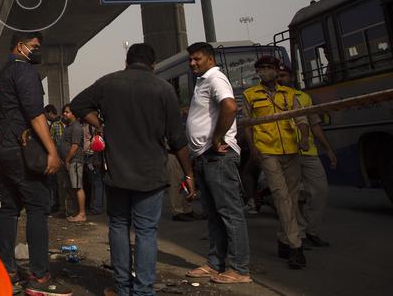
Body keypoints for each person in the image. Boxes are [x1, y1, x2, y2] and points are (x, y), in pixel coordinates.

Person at [70, 43, 196, 296]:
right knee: (146, 231)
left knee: (118, 225)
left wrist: (101, 124)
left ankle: (122, 287)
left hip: (116, 171)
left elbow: (78, 105)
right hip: (150, 173)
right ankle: (143, 290)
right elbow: (177, 138)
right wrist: (188, 173)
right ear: (152, 64)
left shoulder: (109, 83)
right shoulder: (163, 89)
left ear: (127, 61)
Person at [0, 32, 70, 296]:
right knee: (38, 205)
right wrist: (52, 151)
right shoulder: (24, 72)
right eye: (34, 46)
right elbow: (35, 114)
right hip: (22, 149)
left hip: (2, 147)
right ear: (20, 46)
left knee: (9, 208)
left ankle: (7, 270)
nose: (38, 51)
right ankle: (38, 275)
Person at [182, 42, 252, 284]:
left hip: (219, 157)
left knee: (230, 213)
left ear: (210, 59)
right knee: (213, 214)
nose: (192, 63)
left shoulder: (215, 78)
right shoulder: (203, 81)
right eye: (190, 59)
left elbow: (230, 106)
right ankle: (215, 263)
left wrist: (218, 136)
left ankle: (239, 268)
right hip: (205, 156)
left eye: (197, 59)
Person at [242, 55, 310, 270]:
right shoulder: (250, 95)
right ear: (257, 73)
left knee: (291, 197)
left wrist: (305, 138)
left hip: (291, 150)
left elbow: (301, 119)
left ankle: (283, 238)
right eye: (261, 68)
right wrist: (253, 150)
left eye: (269, 68)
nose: (265, 71)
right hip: (267, 151)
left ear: (276, 70)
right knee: (281, 197)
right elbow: (248, 125)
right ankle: (296, 247)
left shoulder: (289, 94)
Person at [278, 64, 336, 248]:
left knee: (320, 191)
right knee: (291, 197)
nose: (281, 79)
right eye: (278, 76)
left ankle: (311, 230)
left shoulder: (304, 98)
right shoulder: (273, 99)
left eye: (284, 75)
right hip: (285, 153)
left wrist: (327, 148)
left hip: (309, 152)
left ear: (292, 77)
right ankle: (298, 234)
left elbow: (315, 125)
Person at [60, 104, 87, 222]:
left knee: (77, 187)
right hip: (69, 161)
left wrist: (67, 159)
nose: (65, 114)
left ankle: (82, 214)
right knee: (72, 187)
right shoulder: (68, 126)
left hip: (74, 161)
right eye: (64, 112)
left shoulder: (76, 127)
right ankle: (76, 212)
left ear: (74, 114)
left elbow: (75, 146)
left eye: (67, 112)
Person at [44, 104, 65, 214]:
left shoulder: (54, 125)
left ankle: (55, 204)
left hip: (57, 157)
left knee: (54, 183)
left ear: (50, 113)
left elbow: (52, 141)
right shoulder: (64, 122)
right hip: (65, 157)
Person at [84, 124, 106, 215]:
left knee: (97, 184)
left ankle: (96, 207)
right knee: (94, 183)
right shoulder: (89, 126)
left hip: (95, 159)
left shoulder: (98, 128)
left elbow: (98, 146)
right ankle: (94, 206)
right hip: (91, 158)